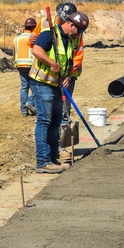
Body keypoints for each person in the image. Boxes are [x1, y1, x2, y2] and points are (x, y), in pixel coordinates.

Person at [29, 10, 89, 173]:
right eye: (80, 30)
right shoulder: (49, 34)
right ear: (71, 25)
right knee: (44, 120)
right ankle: (42, 161)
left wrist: (68, 77)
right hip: (42, 83)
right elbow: (37, 50)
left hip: (56, 85)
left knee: (56, 121)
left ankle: (53, 158)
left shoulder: (69, 41)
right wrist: (51, 64)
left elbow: (69, 62)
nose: (80, 34)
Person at [55, 2, 84, 126]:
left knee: (65, 103)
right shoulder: (46, 24)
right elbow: (36, 46)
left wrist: (69, 73)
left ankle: (65, 121)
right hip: (52, 74)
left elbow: (78, 52)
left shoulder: (77, 30)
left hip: (70, 73)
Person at [13, 18, 39, 116]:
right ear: (33, 27)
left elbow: (15, 52)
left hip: (20, 65)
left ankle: (24, 110)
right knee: (35, 87)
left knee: (24, 87)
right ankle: (31, 104)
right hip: (31, 65)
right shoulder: (34, 37)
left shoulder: (17, 38)